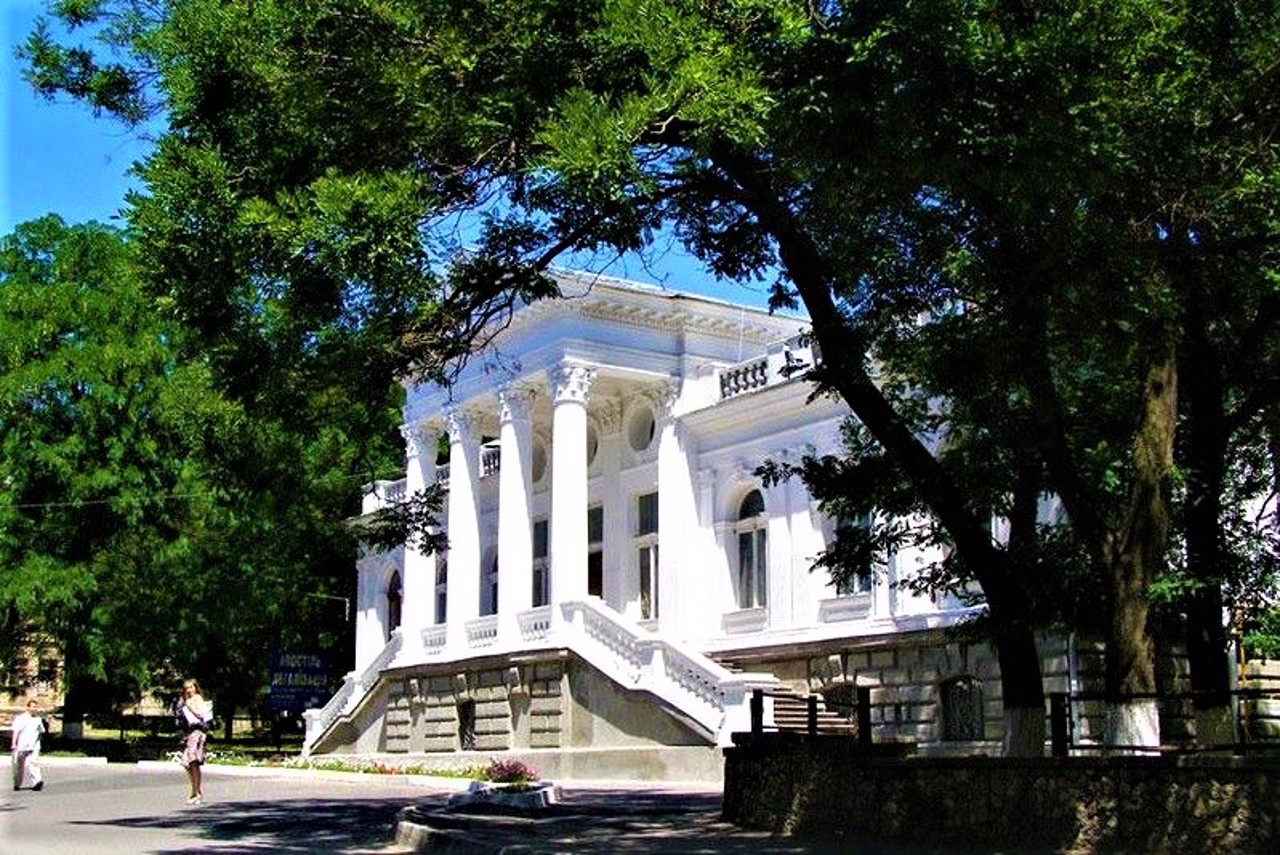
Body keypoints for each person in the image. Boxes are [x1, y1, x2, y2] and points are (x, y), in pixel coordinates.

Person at [176, 679, 212, 804]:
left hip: (197, 733)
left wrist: (190, 707)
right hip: (189, 733)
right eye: (186, 688)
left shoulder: (197, 699)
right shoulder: (184, 701)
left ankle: (196, 793)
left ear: (195, 688)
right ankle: (196, 790)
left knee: (193, 762)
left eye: (191, 687)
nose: (189, 690)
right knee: (186, 763)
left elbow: (202, 715)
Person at [11, 698, 46, 792]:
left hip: (34, 745)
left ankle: (37, 782)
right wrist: (14, 744)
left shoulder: (38, 719)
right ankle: (17, 783)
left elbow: (40, 732)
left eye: (36, 707)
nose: (35, 709)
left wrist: (38, 743)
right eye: (33, 707)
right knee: (19, 766)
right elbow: (16, 732)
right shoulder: (20, 718)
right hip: (21, 745)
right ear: (28, 707)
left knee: (33, 762)